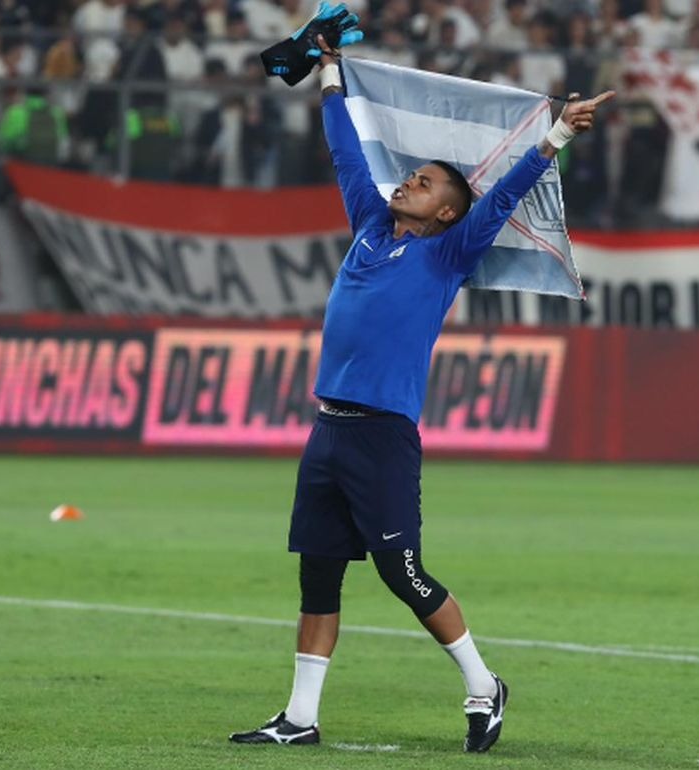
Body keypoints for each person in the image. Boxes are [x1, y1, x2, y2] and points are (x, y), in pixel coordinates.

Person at [228, 29, 614, 753]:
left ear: (445, 213)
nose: (409, 182)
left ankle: (482, 684)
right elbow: (346, 151)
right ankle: (300, 717)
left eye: (427, 182)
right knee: (317, 577)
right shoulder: (371, 225)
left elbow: (498, 199)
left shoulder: (449, 253)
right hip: (329, 429)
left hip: (381, 435)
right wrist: (331, 76)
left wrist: (558, 132)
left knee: (403, 574)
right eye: (413, 176)